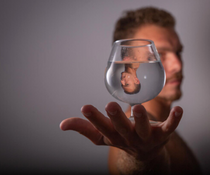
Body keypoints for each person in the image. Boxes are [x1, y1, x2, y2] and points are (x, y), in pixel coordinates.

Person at [60, 7, 201, 174]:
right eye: (158, 54)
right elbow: (130, 163)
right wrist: (142, 157)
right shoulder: (129, 134)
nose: (177, 64)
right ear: (125, 63)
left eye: (178, 52)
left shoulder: (161, 129)